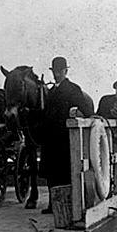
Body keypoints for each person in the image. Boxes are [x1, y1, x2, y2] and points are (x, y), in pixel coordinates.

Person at [41, 56, 94, 213]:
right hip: (51, 138)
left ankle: (69, 205)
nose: (57, 74)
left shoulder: (73, 89)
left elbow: (86, 111)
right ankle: (53, 205)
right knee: (51, 172)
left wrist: (79, 114)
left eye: (60, 71)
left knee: (66, 171)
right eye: (54, 71)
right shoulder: (50, 91)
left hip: (66, 138)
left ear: (65, 71)